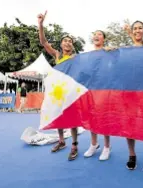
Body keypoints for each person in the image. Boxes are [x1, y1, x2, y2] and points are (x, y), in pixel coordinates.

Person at [37, 11, 78, 161]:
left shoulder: (76, 58)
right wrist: (40, 24)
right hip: (57, 92)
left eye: (70, 41)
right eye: (65, 40)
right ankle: (61, 141)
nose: (68, 42)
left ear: (72, 46)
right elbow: (43, 42)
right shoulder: (58, 55)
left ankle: (74, 145)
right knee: (57, 115)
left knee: (72, 119)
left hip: (71, 93)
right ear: (61, 44)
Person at [123, 21, 143, 172]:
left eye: (140, 28)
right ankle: (132, 155)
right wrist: (108, 50)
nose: (137, 31)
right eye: (135, 28)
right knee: (129, 124)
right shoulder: (127, 50)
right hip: (130, 92)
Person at [83, 30, 111, 161]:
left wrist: (113, 52)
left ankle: (106, 147)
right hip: (91, 90)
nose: (96, 36)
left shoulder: (109, 52)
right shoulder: (88, 56)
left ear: (104, 39)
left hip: (104, 90)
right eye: (95, 34)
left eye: (100, 34)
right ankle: (94, 144)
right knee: (91, 118)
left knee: (104, 118)